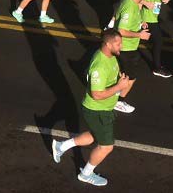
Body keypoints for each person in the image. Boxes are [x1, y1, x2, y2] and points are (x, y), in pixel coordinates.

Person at [51, 29, 131, 187]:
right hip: (97, 110)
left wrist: (119, 81)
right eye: (118, 43)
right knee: (106, 146)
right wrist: (119, 87)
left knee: (95, 135)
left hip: (104, 109)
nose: (121, 46)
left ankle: (61, 146)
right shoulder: (99, 66)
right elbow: (96, 94)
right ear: (107, 44)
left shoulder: (110, 56)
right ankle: (85, 174)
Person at [113, 0, 152, 113]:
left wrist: (141, 22)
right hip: (126, 48)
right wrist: (139, 35)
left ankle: (114, 93)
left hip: (129, 47)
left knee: (123, 74)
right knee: (131, 78)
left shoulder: (131, 1)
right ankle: (119, 102)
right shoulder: (129, 8)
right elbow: (121, 30)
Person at [143, 0, 172, 78]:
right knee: (158, 41)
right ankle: (157, 67)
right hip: (146, 16)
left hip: (155, 15)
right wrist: (146, 3)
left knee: (136, 39)